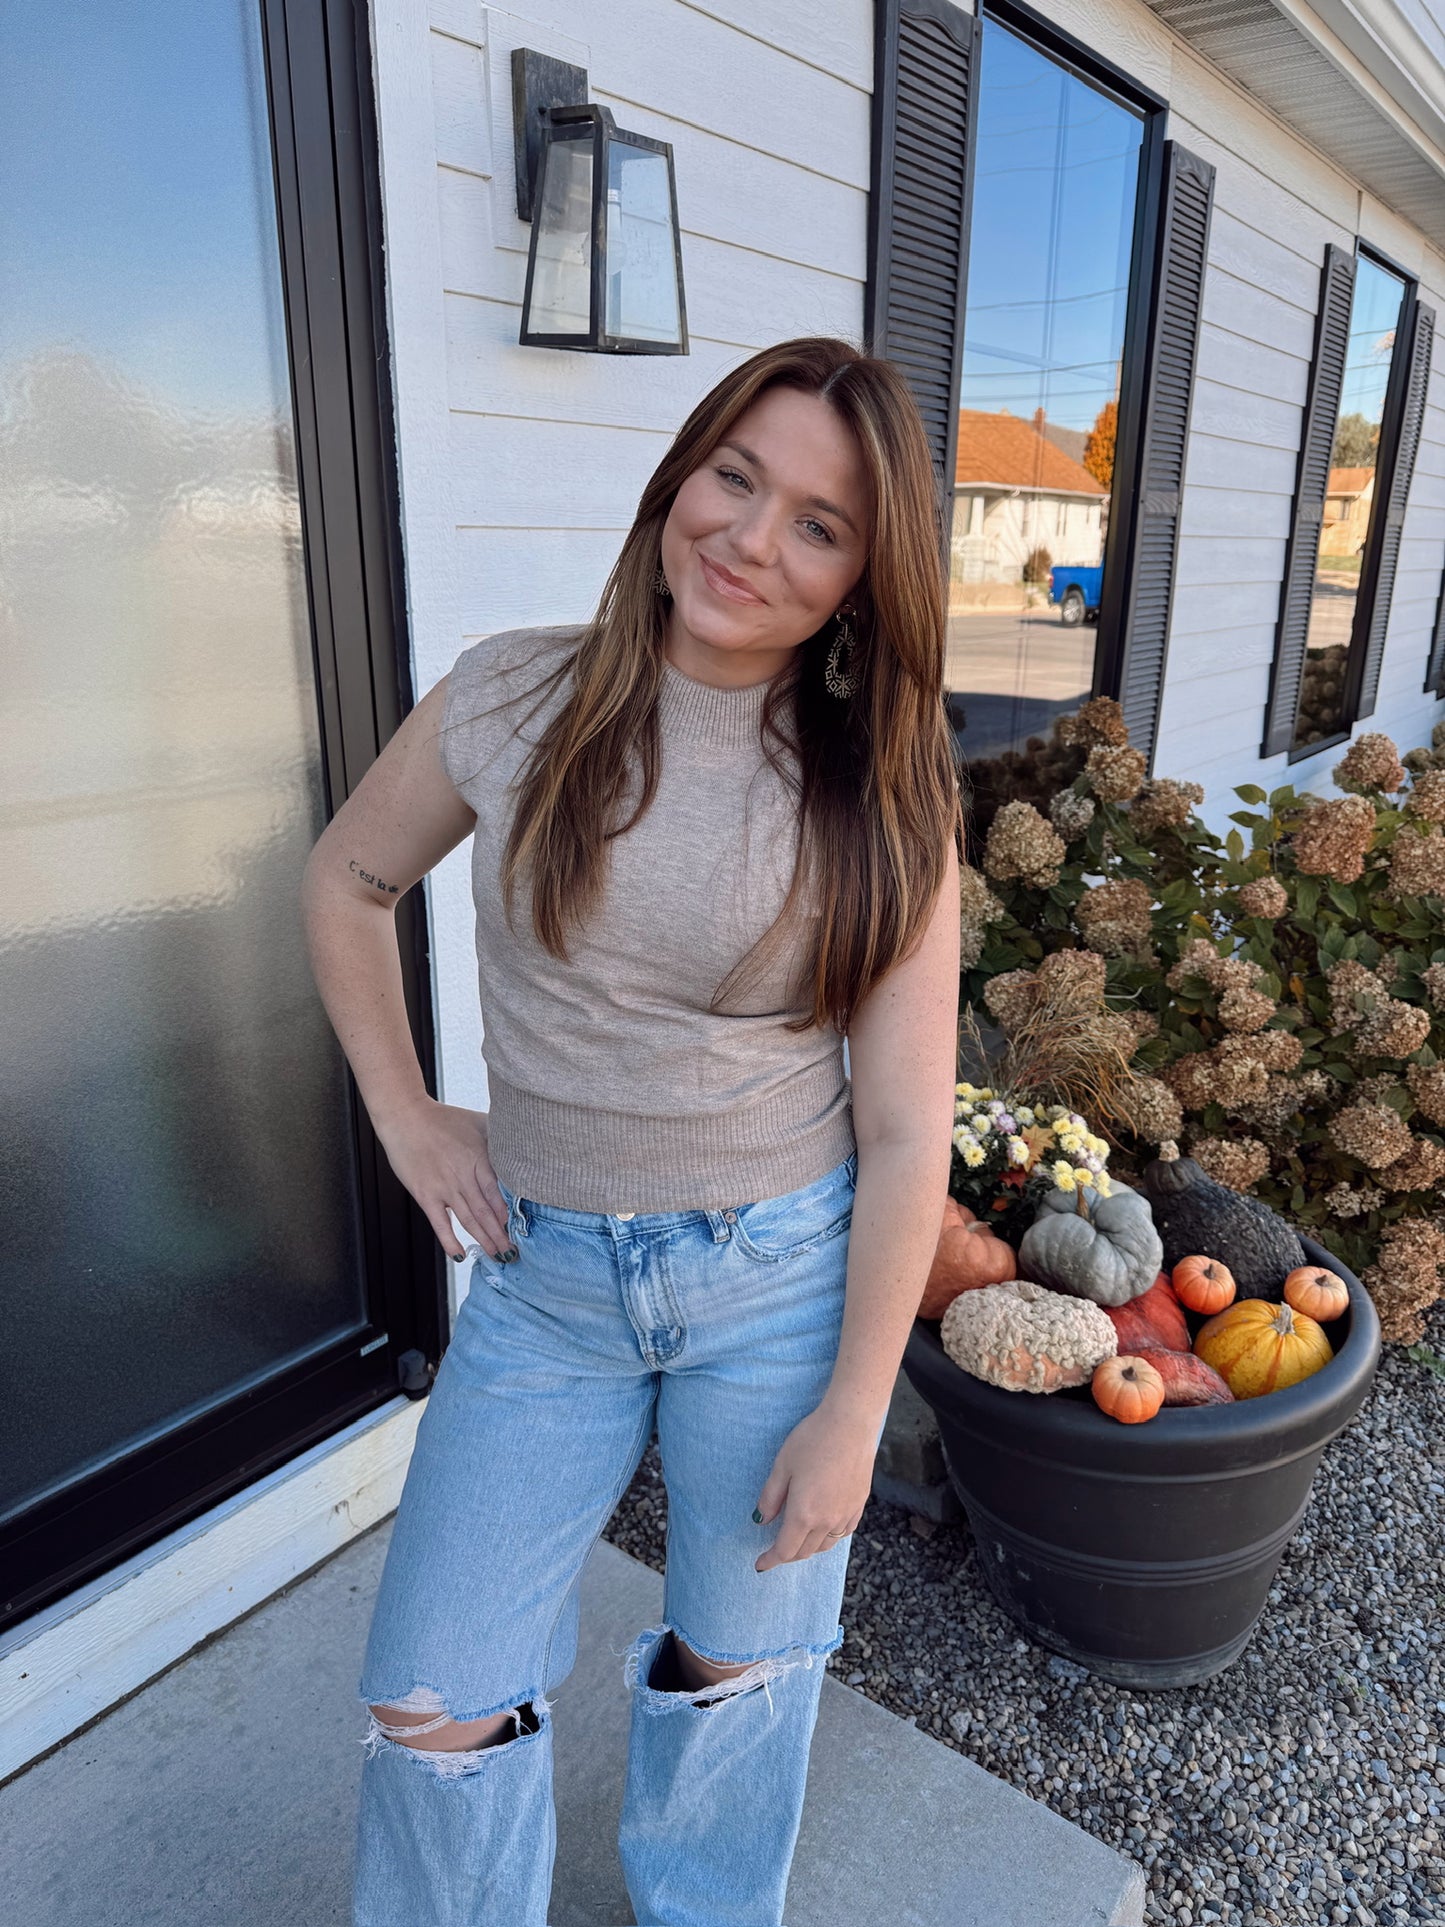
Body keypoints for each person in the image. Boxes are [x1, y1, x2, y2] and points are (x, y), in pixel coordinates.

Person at [300, 335, 961, 1926]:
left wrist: (856, 1411)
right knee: (431, 1705)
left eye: (817, 522)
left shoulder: (878, 787)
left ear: (863, 578)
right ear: (679, 474)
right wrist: (407, 1117)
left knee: (736, 1679)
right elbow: (347, 880)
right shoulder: (514, 693)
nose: (749, 538)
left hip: (778, 1289)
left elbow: (901, 1126)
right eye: (735, 476)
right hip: (548, 1289)